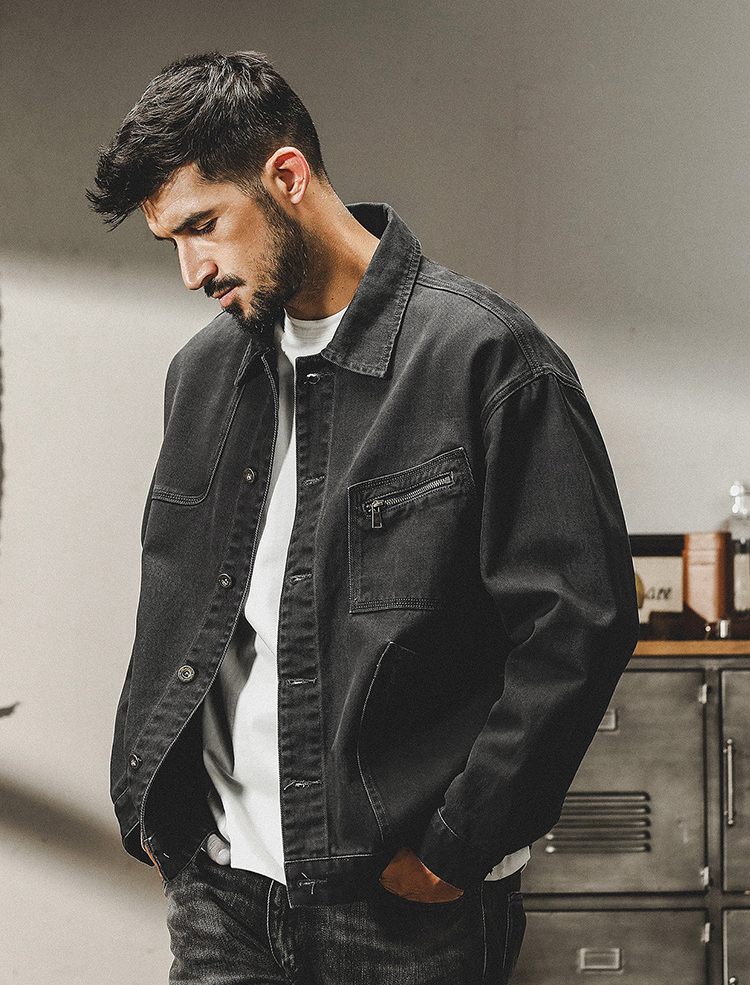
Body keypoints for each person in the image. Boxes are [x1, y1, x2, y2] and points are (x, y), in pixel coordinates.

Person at [88, 51, 639, 984]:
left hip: (397, 910)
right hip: (220, 894)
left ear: (287, 176)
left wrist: (461, 845)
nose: (191, 271)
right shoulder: (202, 375)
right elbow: (177, 609)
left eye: (203, 226)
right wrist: (144, 794)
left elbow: (579, 624)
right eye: (170, 241)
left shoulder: (487, 358)